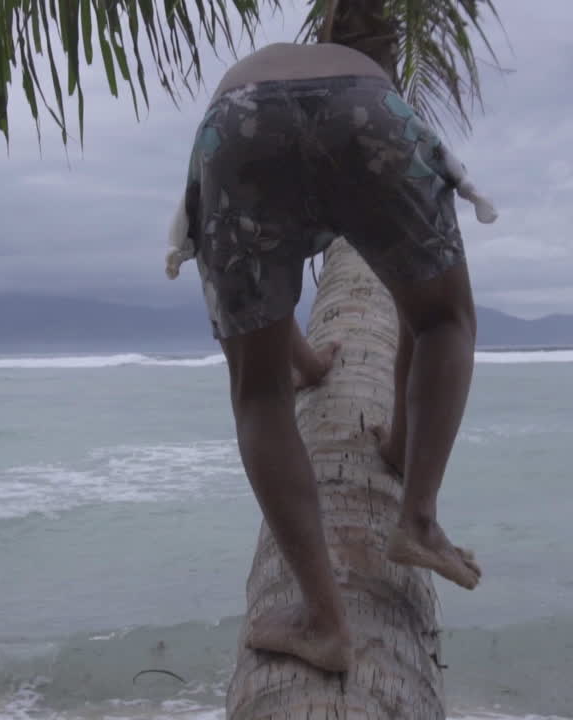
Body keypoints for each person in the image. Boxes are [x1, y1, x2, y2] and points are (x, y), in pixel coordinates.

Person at [172, 40, 489, 674]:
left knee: (260, 394)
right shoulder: (366, 73)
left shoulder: (259, 80)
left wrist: (306, 370)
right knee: (440, 319)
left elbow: (266, 291)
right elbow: (429, 316)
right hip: (364, 109)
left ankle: (323, 620)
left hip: (238, 125)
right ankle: (419, 519)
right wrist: (316, 365)